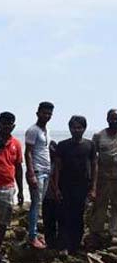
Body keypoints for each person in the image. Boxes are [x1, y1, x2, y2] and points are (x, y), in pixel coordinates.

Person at [52, 116, 96, 254]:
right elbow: (57, 167)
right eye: (73, 127)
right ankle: (63, 245)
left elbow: (94, 166)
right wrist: (56, 188)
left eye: (79, 127)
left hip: (83, 186)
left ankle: (75, 245)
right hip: (65, 185)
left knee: (78, 215)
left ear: (84, 128)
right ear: (69, 128)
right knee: (63, 216)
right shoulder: (62, 145)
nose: (76, 130)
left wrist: (93, 188)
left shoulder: (90, 145)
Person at [0, 112, 24, 263]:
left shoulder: (16, 144)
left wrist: (21, 190)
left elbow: (18, 167)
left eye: (9, 124)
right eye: (4, 124)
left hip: (8, 187)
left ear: (13, 126)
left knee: (3, 223)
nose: (7, 127)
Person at [25, 101, 54, 249]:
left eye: (49, 113)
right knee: (36, 204)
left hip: (46, 171)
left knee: (39, 204)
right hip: (37, 171)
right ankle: (32, 236)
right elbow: (28, 152)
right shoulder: (33, 130)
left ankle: (34, 233)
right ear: (38, 113)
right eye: (44, 113)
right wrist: (31, 173)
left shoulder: (46, 130)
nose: (46, 116)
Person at [90, 109, 117, 245]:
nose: (115, 121)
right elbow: (93, 159)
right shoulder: (99, 136)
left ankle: (114, 232)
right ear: (107, 119)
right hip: (103, 177)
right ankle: (96, 231)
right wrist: (92, 183)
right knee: (100, 205)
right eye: (112, 118)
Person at [43, 141, 59, 249]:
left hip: (56, 196)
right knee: (48, 221)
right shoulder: (44, 164)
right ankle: (49, 242)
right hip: (46, 196)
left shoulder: (58, 164)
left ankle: (56, 242)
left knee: (56, 220)